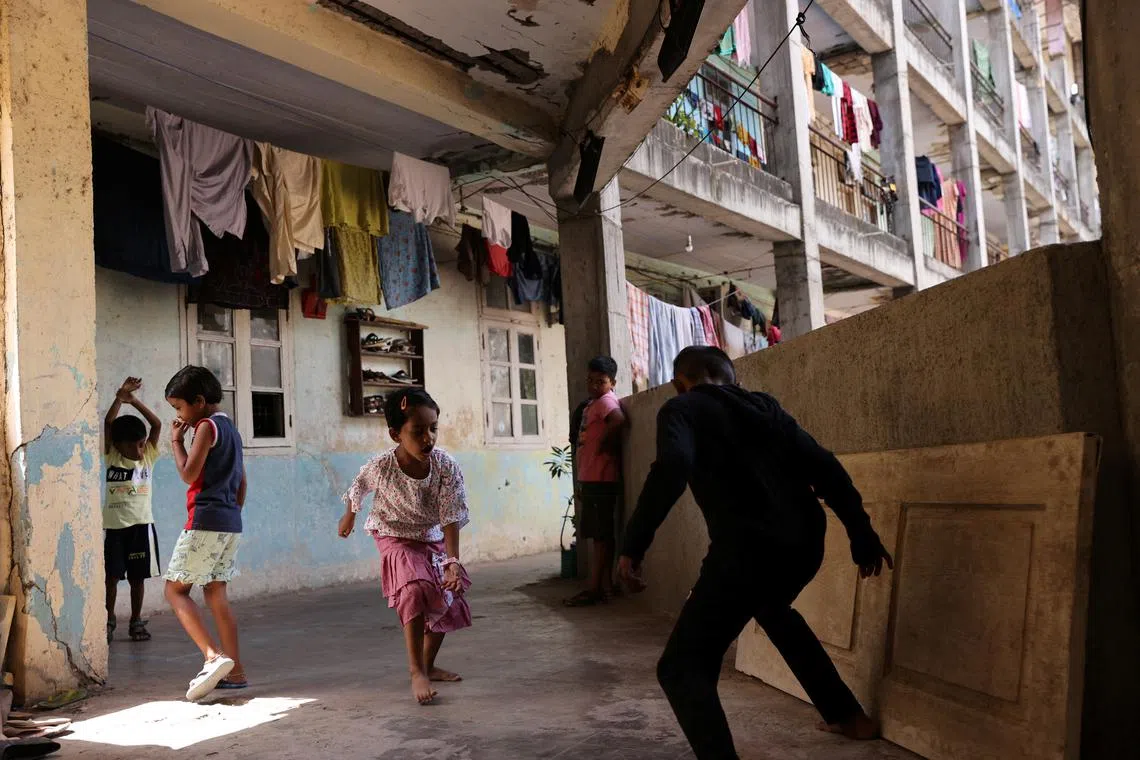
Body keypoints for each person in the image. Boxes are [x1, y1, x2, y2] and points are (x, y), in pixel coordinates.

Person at [618, 346, 893, 759]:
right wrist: (861, 534)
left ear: (680, 384)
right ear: (734, 379)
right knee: (772, 609)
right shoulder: (768, 410)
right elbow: (826, 466)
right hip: (803, 546)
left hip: (745, 552)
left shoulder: (682, 409)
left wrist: (634, 545)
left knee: (682, 668)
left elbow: (673, 465)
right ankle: (850, 717)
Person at [338, 388, 472, 706]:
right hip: (392, 534)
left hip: (431, 535)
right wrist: (349, 515)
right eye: (418, 431)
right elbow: (359, 484)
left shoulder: (445, 467)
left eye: (433, 428)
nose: (428, 438)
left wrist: (452, 560)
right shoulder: (382, 467)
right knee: (413, 589)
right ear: (396, 434)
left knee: (446, 594)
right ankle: (416, 672)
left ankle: (428, 664)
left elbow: (451, 515)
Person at [163, 366, 248, 701]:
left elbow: (188, 474)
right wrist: (232, 513)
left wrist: (175, 440)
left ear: (198, 402)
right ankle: (237, 672)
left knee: (175, 591)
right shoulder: (231, 429)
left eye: (179, 408)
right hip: (229, 521)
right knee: (216, 595)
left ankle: (213, 656)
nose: (179, 415)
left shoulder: (205, 428)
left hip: (204, 520)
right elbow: (242, 481)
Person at [103, 376, 163, 644]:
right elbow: (108, 424)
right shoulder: (112, 456)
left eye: (141, 444)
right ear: (117, 445)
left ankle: (136, 621)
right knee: (112, 577)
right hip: (115, 529)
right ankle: (108, 620)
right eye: (133, 446)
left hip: (141, 526)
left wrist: (133, 400)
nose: (139, 450)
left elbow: (157, 424)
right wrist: (118, 398)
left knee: (138, 578)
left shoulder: (148, 457)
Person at [564, 356, 626, 607]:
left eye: (600, 381)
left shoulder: (606, 401)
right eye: (590, 380)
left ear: (613, 382)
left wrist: (604, 445)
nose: (594, 385)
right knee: (600, 535)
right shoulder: (592, 404)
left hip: (601, 479)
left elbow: (619, 420)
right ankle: (605, 586)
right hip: (591, 478)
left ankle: (594, 589)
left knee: (601, 536)